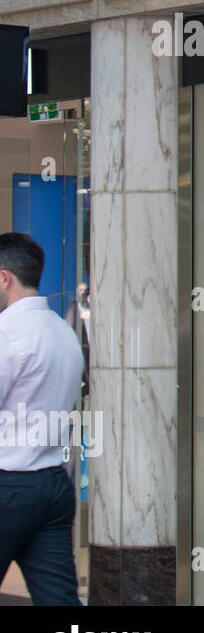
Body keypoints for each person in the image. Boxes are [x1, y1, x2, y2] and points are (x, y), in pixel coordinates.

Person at [0, 233, 85, 605]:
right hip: (52, 485)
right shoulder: (64, 333)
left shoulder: (6, 335)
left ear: (4, 278)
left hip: (8, 485)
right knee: (60, 601)